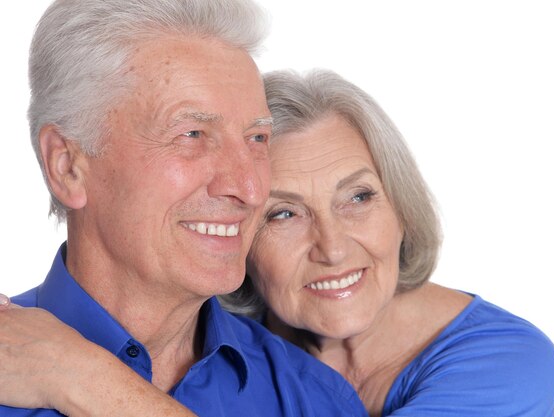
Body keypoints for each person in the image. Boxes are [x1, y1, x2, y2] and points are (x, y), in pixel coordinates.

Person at [1, 68, 554, 416]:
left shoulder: (508, 360)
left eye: (359, 198)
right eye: (285, 213)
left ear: (402, 207)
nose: (333, 247)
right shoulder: (221, 337)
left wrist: (81, 376)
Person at [0, 1, 369, 416]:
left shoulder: (315, 399)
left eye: (257, 139)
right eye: (192, 134)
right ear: (67, 166)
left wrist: (86, 379)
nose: (249, 189)